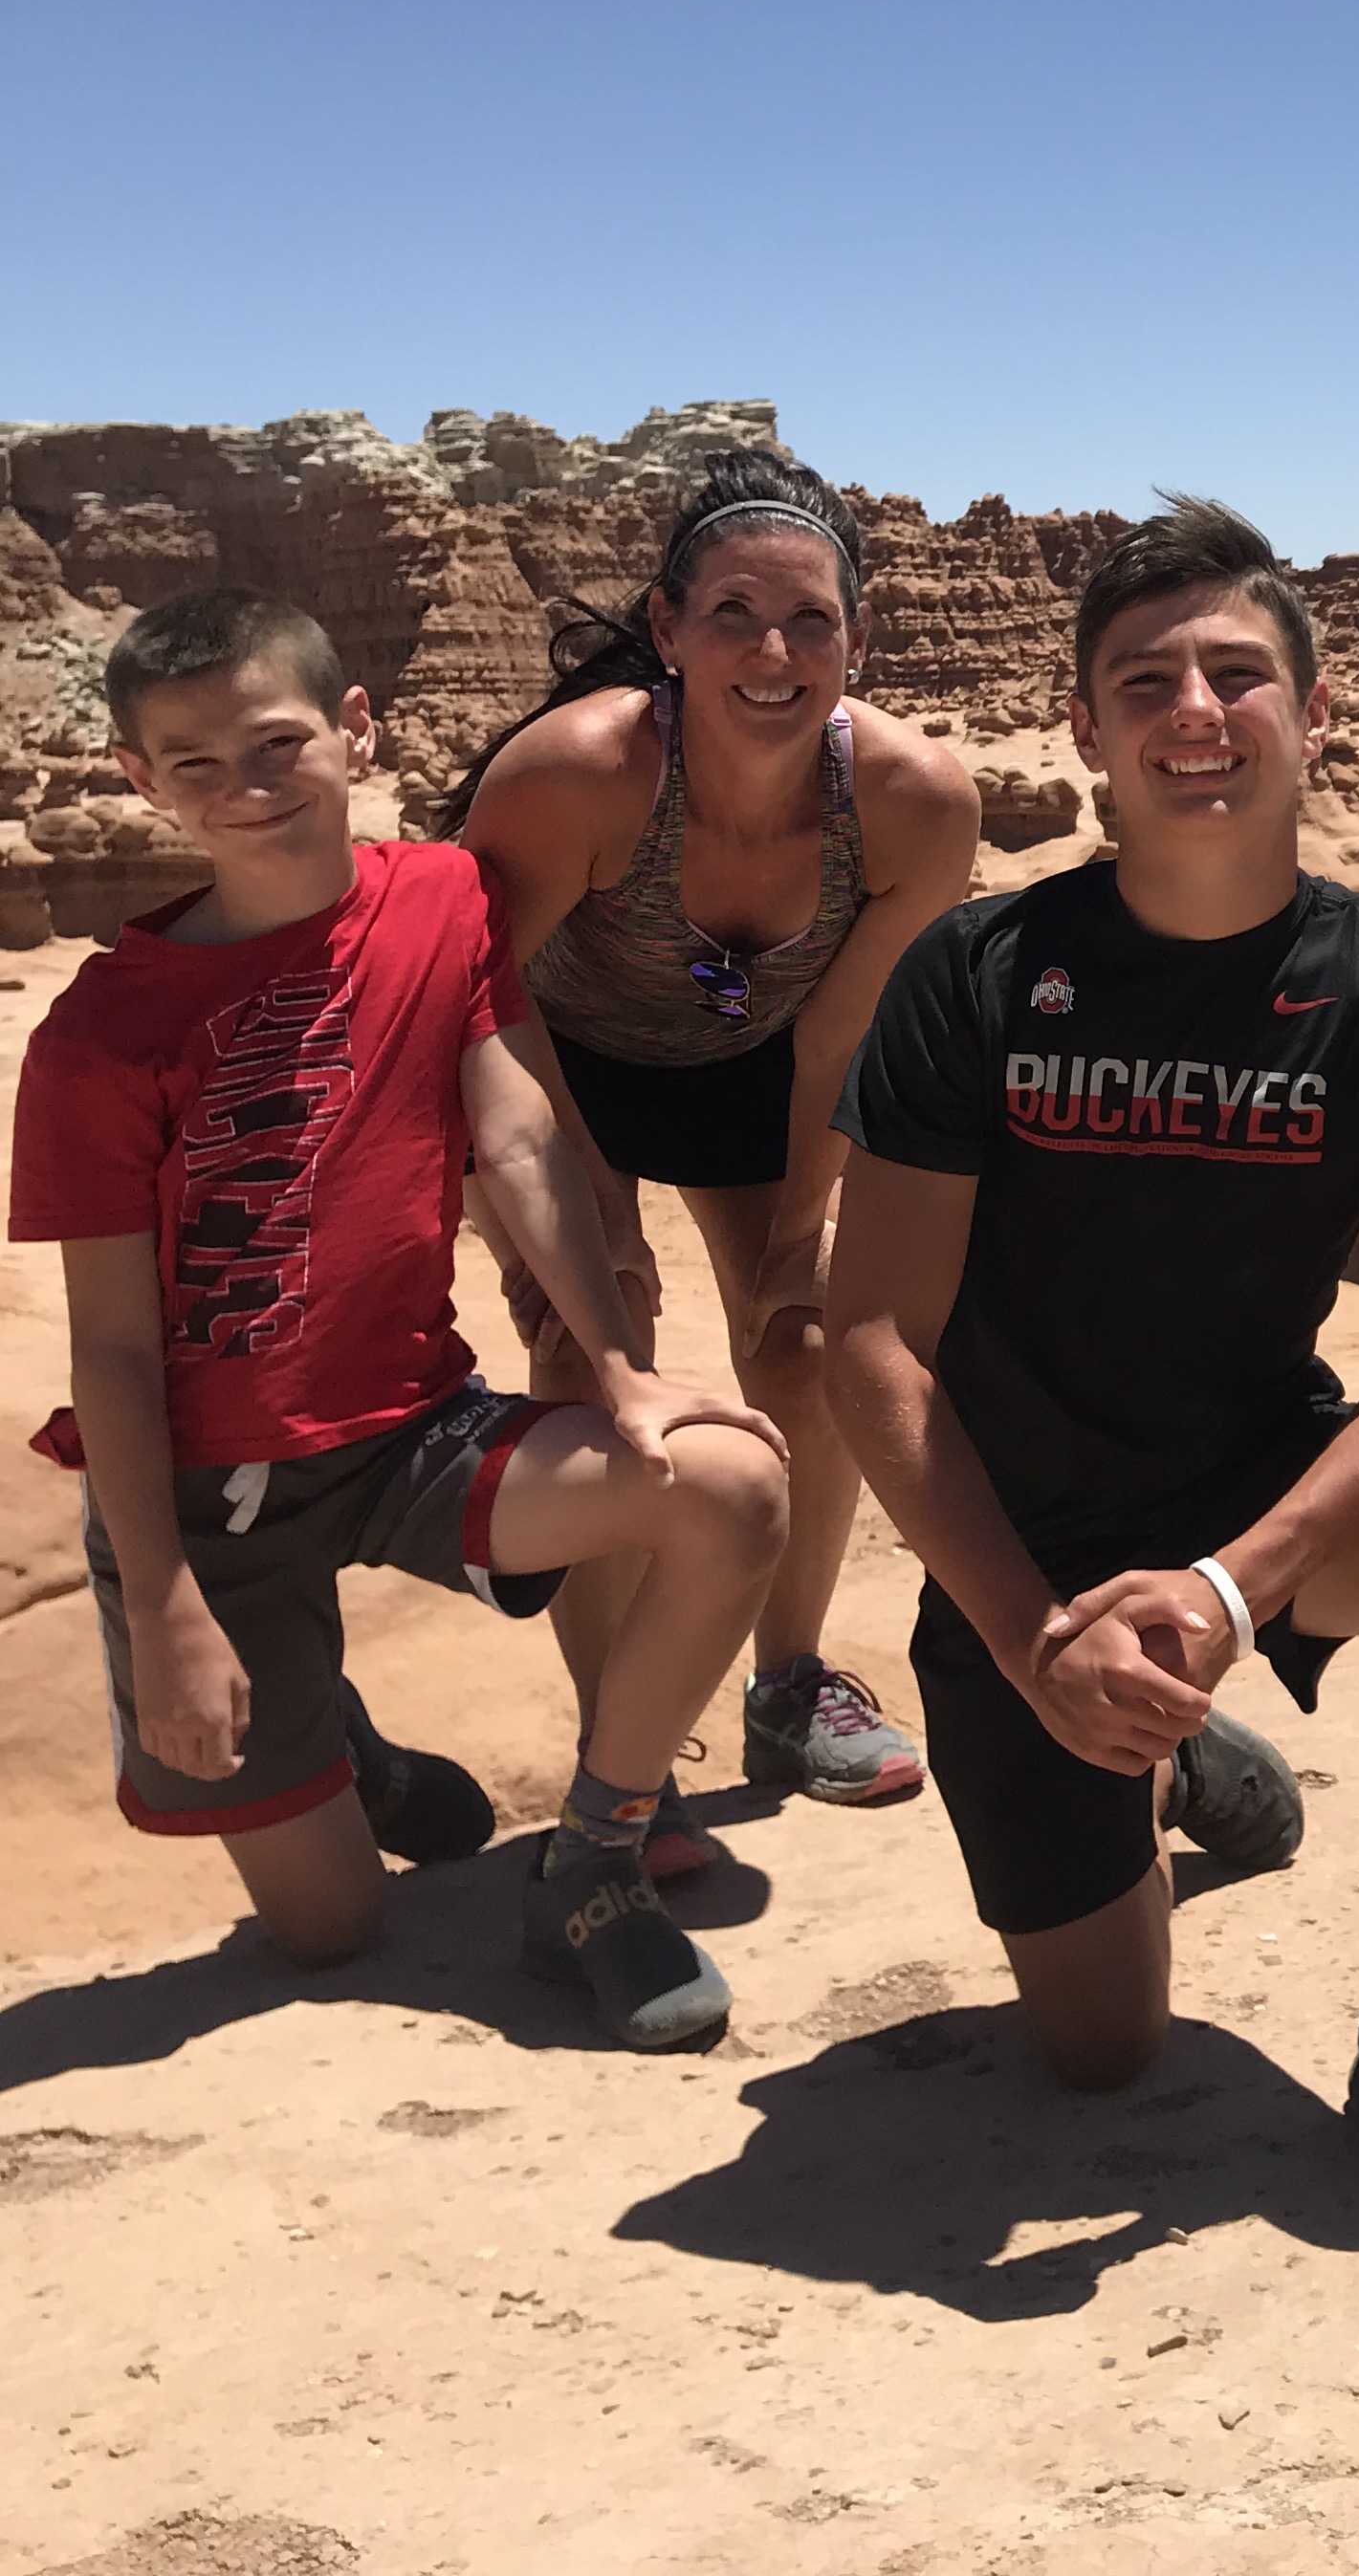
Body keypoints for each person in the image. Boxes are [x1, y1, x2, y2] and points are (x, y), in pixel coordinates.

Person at [826, 496, 1359, 2212]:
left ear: (1313, 716)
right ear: (1084, 729)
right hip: (1022, 1543)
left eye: (1238, 675)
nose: (1195, 711)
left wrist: (1234, 1590)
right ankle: (1173, 1751)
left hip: (1251, 1497)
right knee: (1106, 2051)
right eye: (1144, 681)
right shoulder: (979, 975)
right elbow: (871, 1341)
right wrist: (1030, 1638)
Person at [11, 588, 788, 2049]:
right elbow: (108, 1346)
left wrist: (622, 1372)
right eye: (194, 762)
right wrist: (165, 1604)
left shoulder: (440, 901)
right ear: (138, 778)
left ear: (354, 728)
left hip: (413, 1429)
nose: (245, 786)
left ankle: (596, 1860)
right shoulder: (101, 1036)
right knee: (329, 1932)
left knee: (729, 1484)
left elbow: (520, 1137)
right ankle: (340, 1752)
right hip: (211, 1497)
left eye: (275, 742)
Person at [440, 448, 978, 1853]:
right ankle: (622, 1745)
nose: (773, 652)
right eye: (733, 613)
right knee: (585, 1348)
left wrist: (798, 1246)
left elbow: (837, 1040)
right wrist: (587, 1230)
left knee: (809, 1347)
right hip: (562, 1065)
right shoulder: (579, 775)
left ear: (859, 639)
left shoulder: (915, 801)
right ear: (668, 627)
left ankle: (789, 1685)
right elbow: (486, 1009)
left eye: (810, 620)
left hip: (759, 1067)